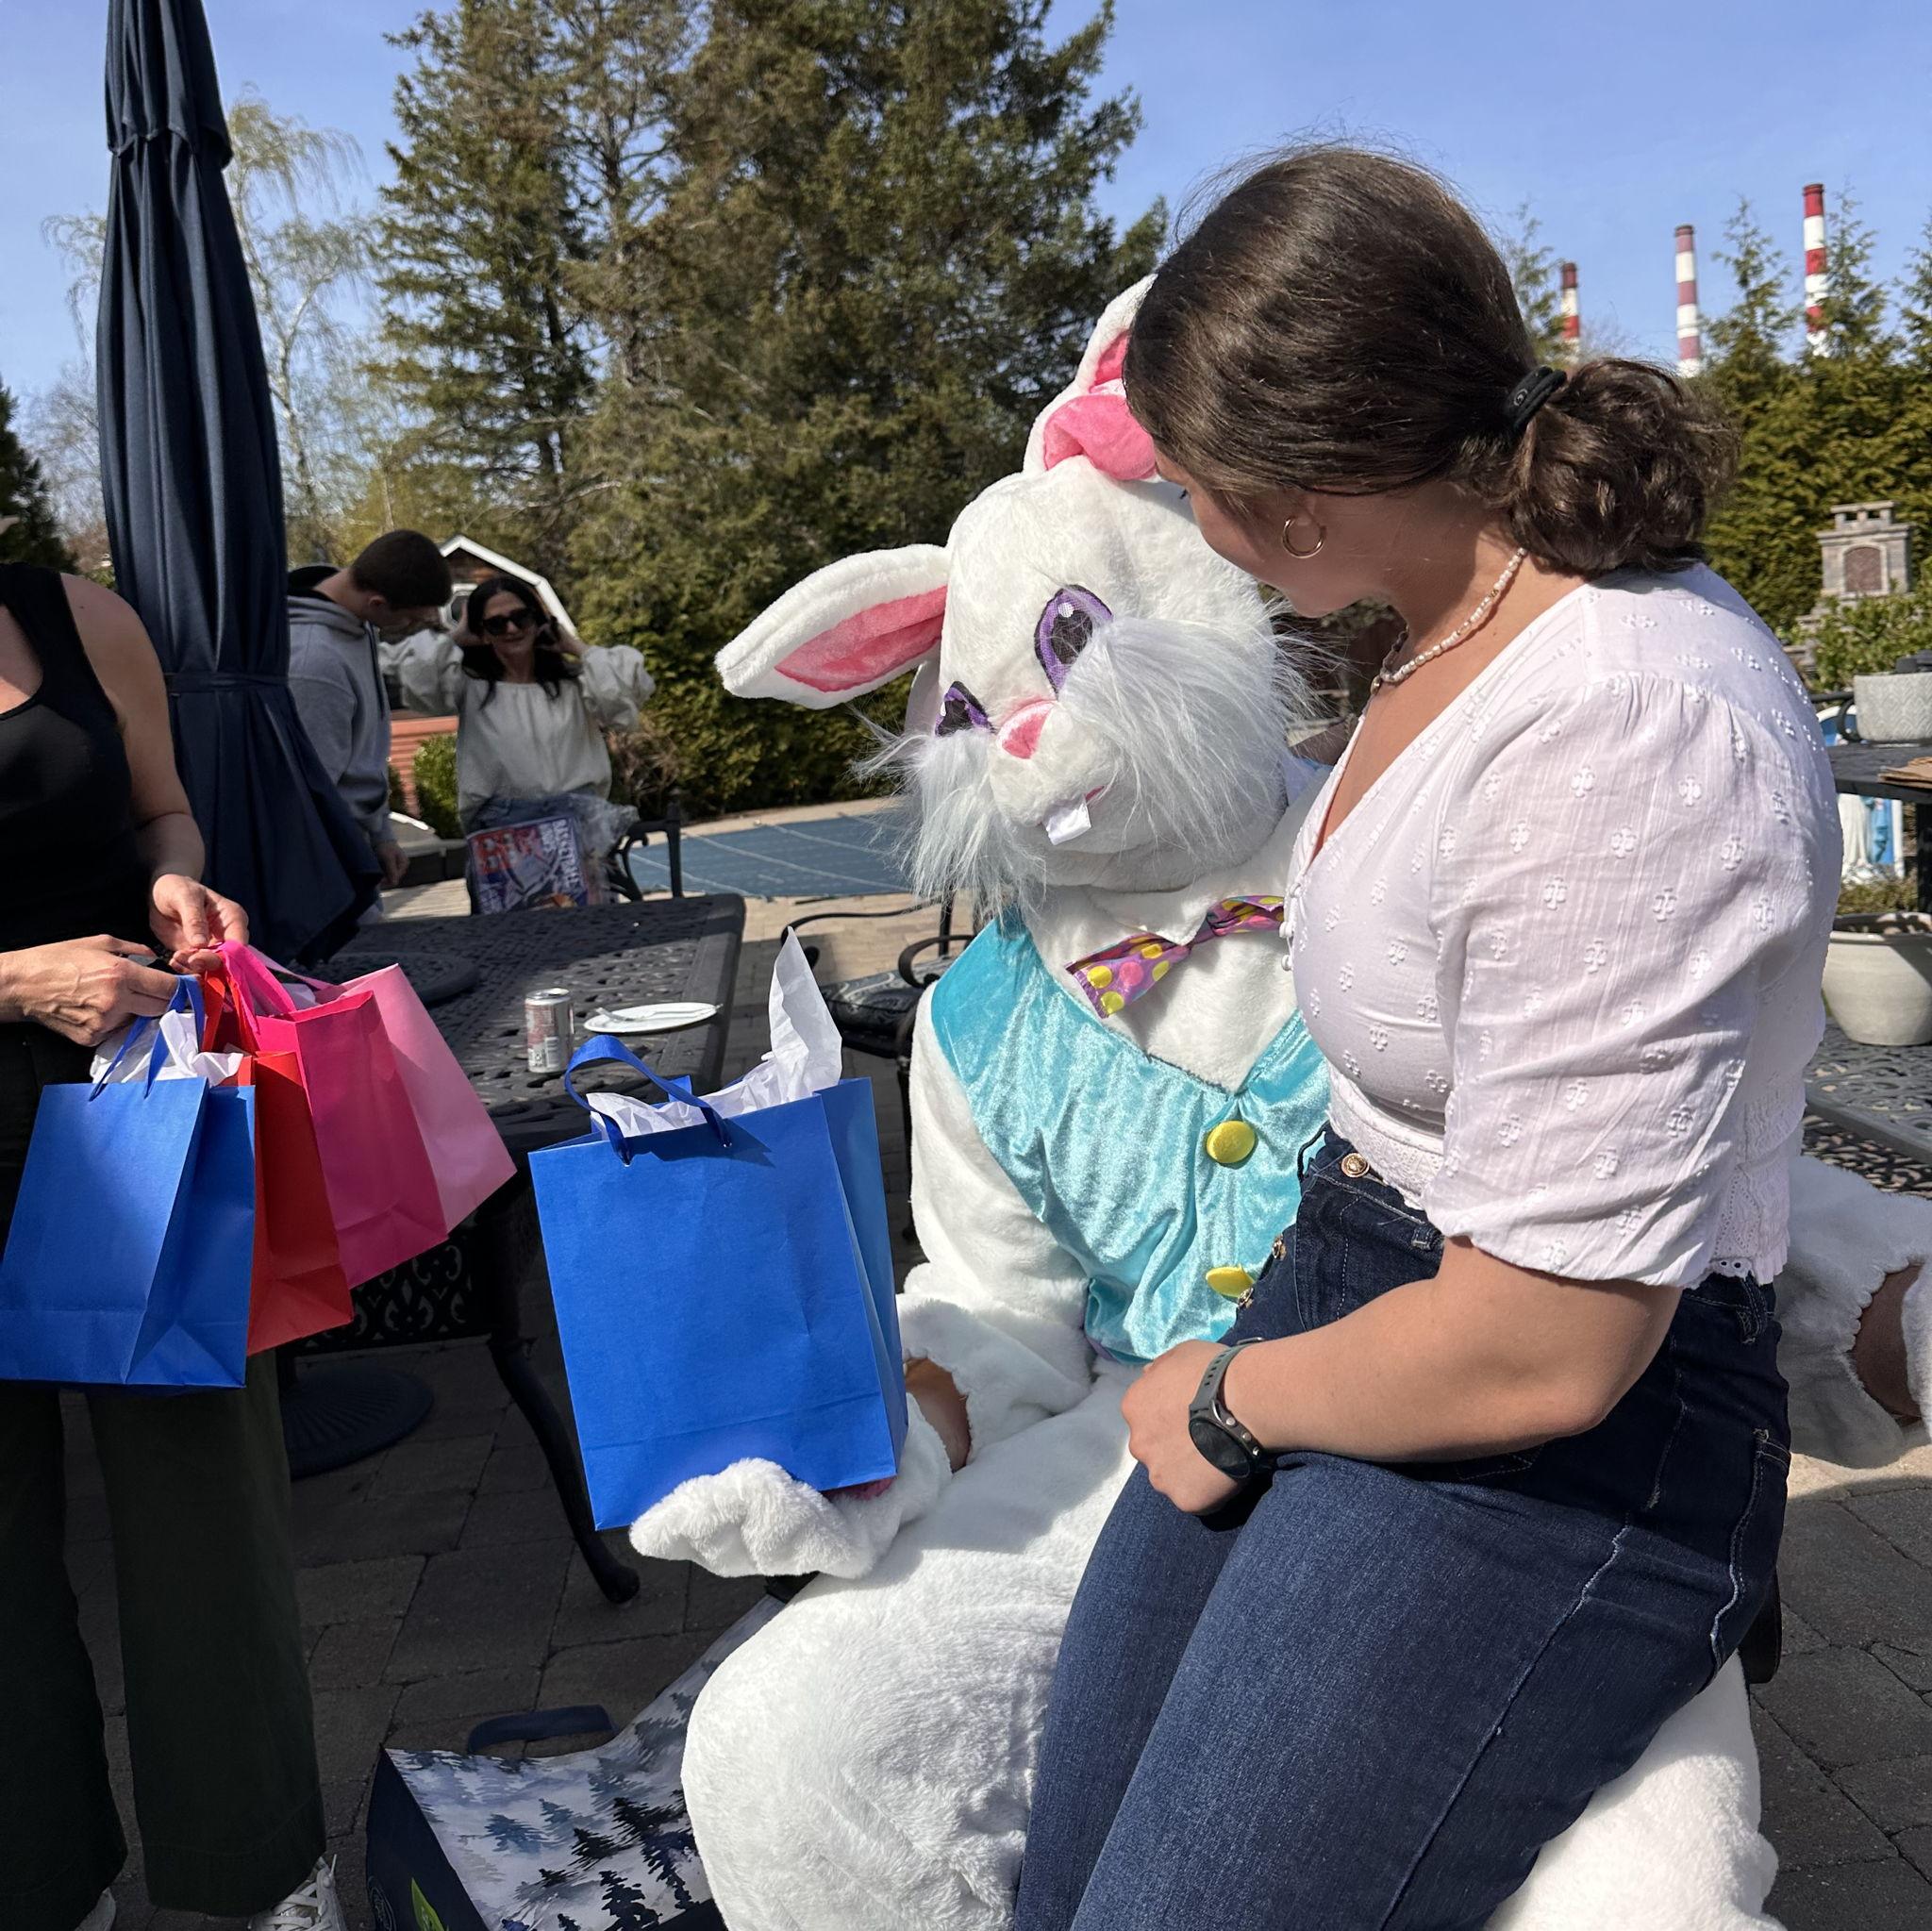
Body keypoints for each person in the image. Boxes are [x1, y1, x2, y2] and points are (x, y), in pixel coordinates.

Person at [1014, 146, 1837, 1931]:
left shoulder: (1627, 724)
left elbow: (1551, 1343)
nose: (1191, 529)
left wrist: (1225, 1393)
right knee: (1069, 1880)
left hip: (1554, 1428)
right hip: (1368, 1288)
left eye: (1193, 491)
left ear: (1300, 496)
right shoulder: (1442, 625)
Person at [0, 563, 343, 1931]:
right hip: (45, 1042)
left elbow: (161, 804)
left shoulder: (77, 614)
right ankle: (36, 1880)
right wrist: (18, 979)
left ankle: (262, 1869)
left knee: (208, 1498)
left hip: (134, 1096)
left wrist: (174, 878)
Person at [382, 573, 653, 834]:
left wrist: (574, 646)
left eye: (521, 618)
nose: (511, 629)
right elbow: (415, 672)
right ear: (482, 632)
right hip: (503, 828)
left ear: (537, 620)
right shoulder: (470, 687)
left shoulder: (574, 684)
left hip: (579, 820)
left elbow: (624, 694)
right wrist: (459, 635)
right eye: (497, 623)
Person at [288, 529, 454, 891]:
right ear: (377, 603)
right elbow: (308, 791)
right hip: (328, 858)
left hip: (355, 843)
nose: (413, 628)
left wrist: (381, 835)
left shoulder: (355, 623)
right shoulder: (315, 663)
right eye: (411, 620)